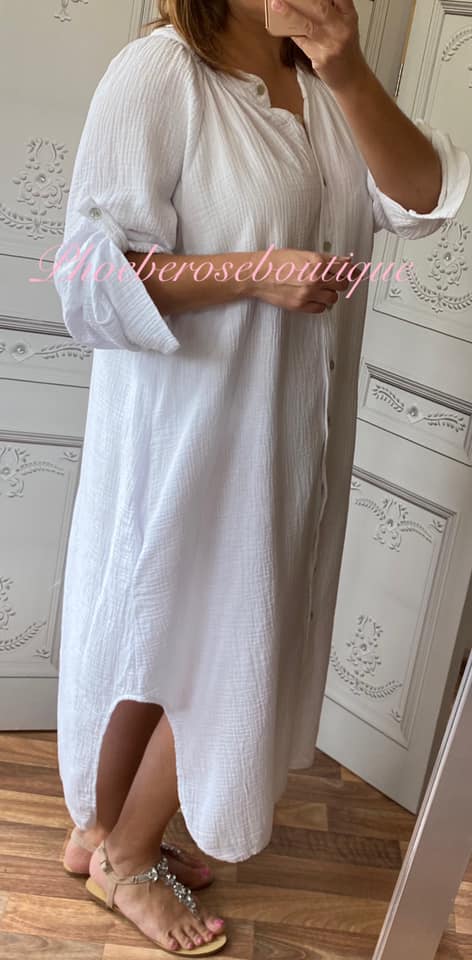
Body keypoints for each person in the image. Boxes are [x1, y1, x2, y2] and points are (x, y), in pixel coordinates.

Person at [52, 0, 470, 955]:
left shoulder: (322, 87)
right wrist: (251, 271)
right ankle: (127, 856)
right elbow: (87, 275)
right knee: (178, 636)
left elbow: (422, 198)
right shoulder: (162, 74)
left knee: (197, 633)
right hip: (182, 434)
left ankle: (102, 831)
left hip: (282, 434)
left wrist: (349, 70)